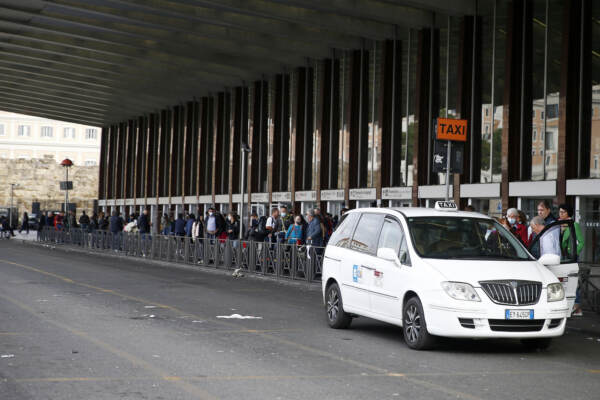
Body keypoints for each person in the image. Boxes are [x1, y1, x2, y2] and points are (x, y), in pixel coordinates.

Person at [558, 203, 585, 316]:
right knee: (564, 282)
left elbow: (581, 242)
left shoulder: (574, 224)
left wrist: (573, 254)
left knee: (573, 281)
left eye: (563, 212)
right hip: (561, 257)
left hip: (570, 257)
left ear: (568, 213)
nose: (560, 214)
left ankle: (577, 306)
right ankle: (567, 305)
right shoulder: (559, 224)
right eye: (559, 211)